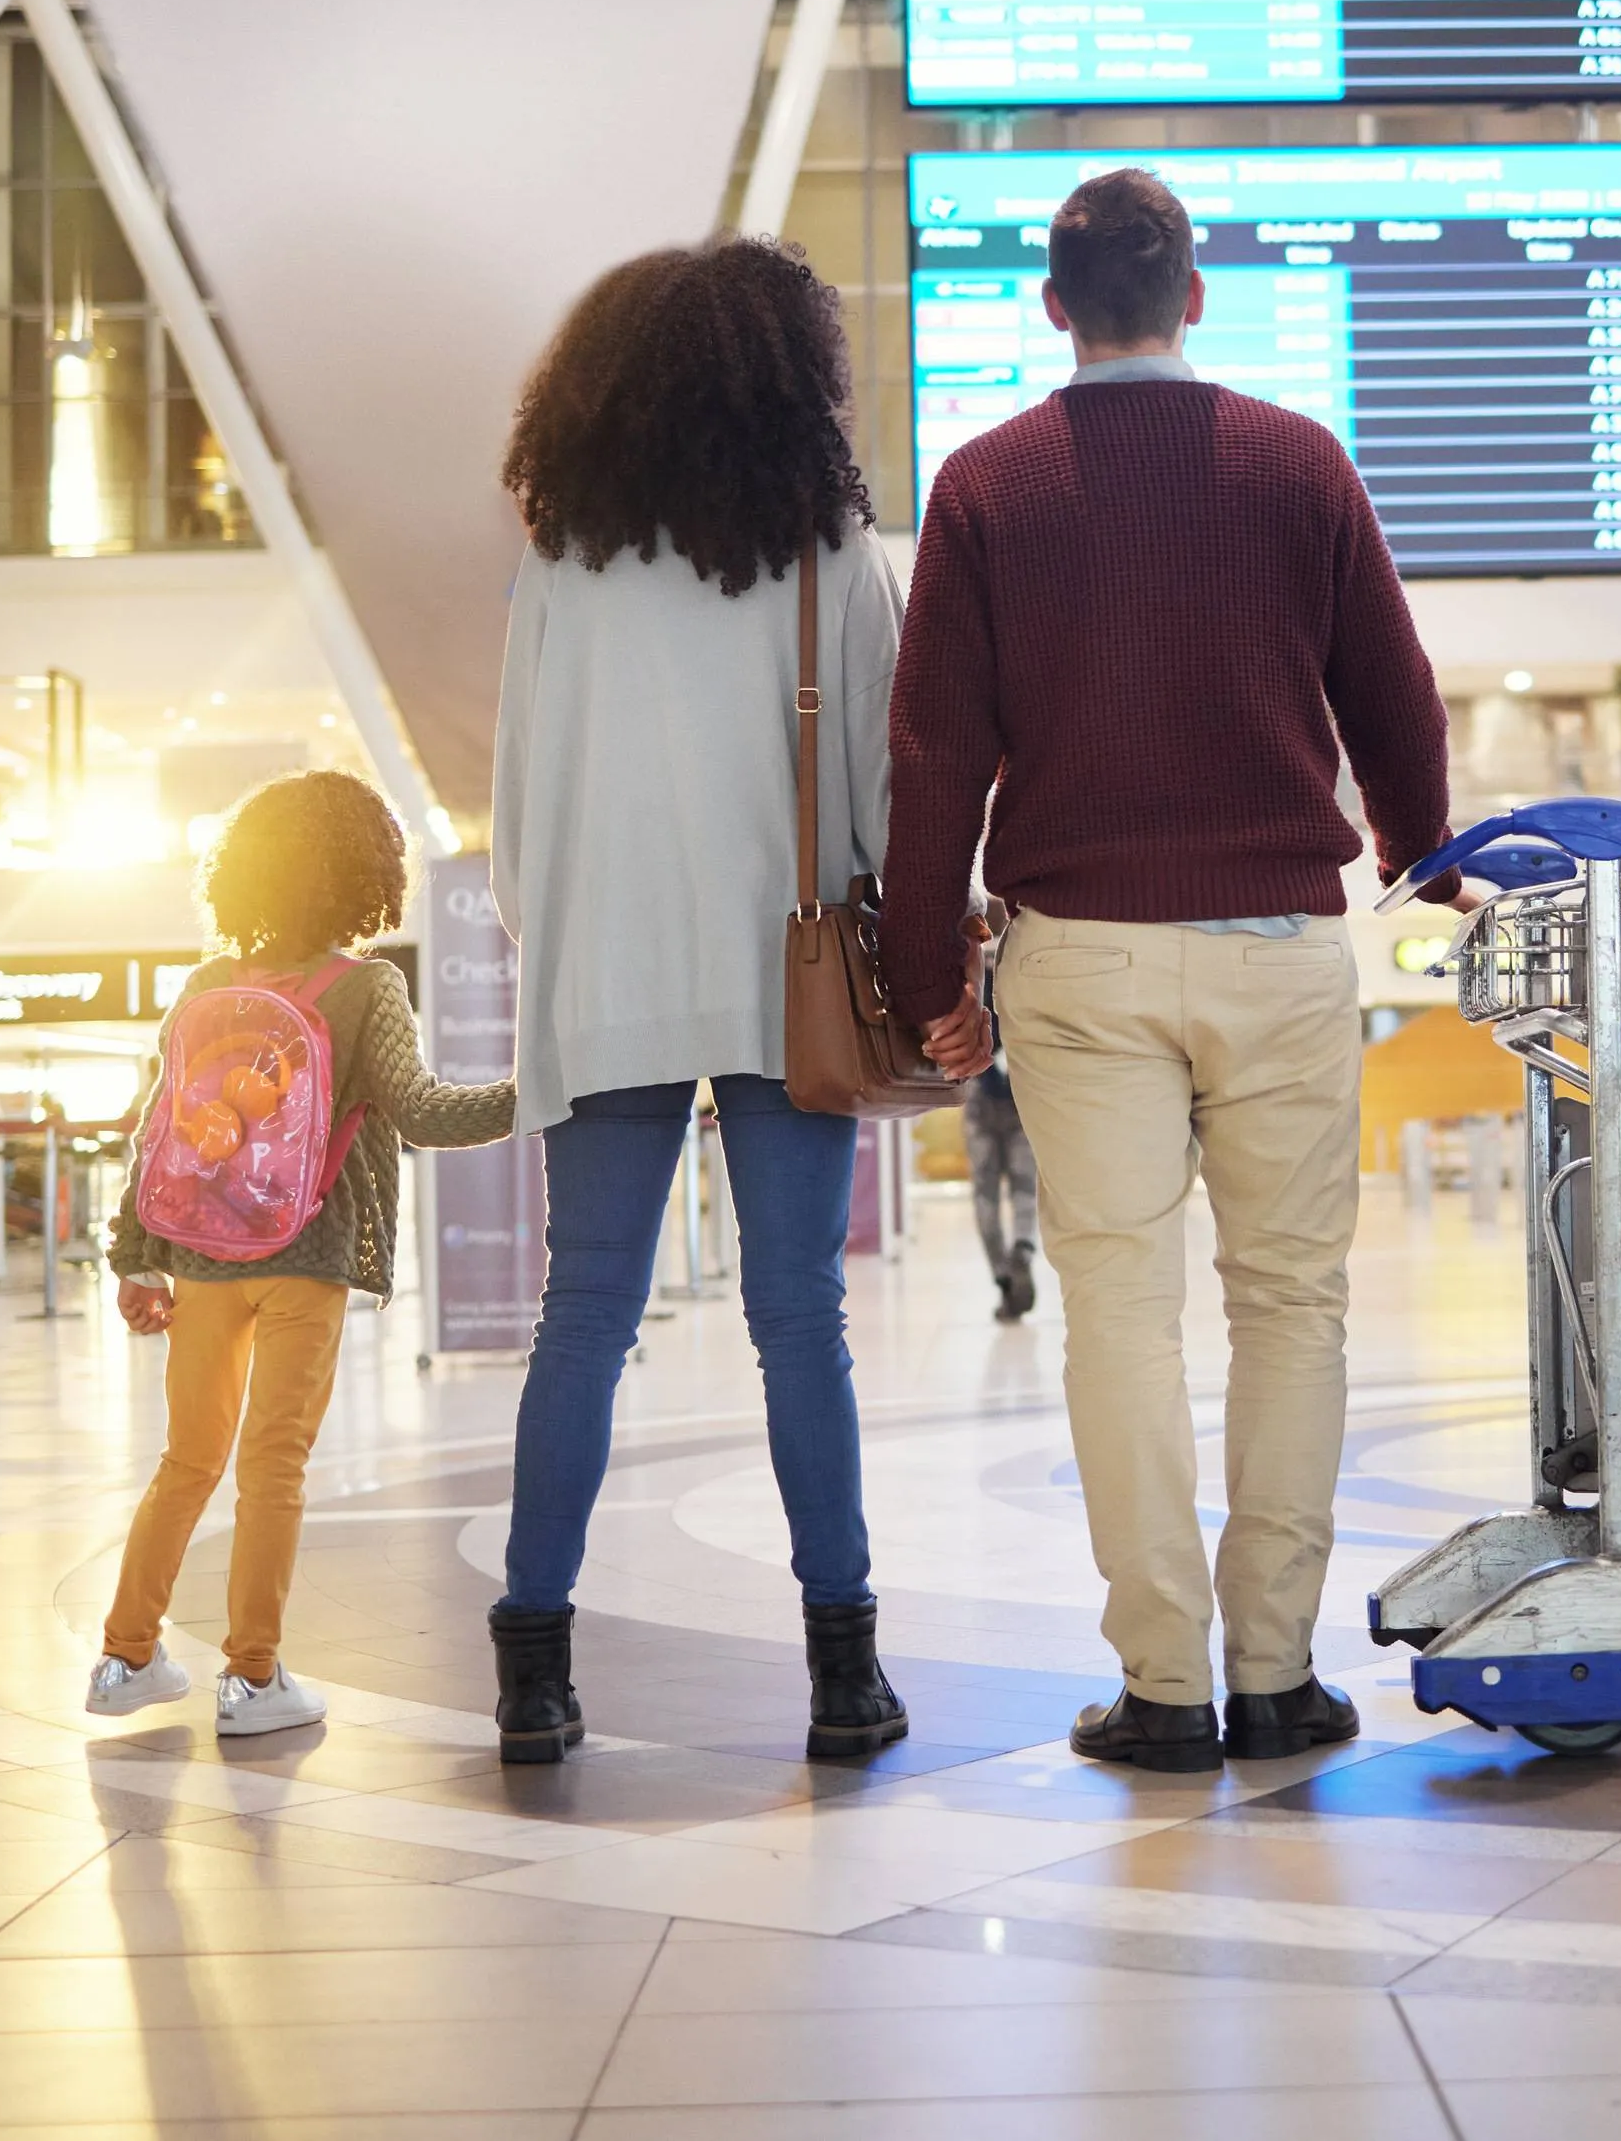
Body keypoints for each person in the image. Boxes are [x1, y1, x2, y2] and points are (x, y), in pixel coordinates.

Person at [882, 167, 1460, 1774]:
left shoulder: (988, 486)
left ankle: (1161, 1691)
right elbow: (1393, 701)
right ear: (1193, 295)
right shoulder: (1297, 464)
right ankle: (1276, 1675)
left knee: (1119, 1318)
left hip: (1079, 964)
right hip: (1281, 951)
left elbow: (934, 756)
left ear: (1054, 308)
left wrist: (924, 967)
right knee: (1292, 1308)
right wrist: (1420, 855)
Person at [483, 237, 912, 1767]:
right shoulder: (836, 561)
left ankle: (535, 1672)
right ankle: (844, 1673)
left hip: (604, 983)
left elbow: (515, 812)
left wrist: (568, 942)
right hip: (777, 981)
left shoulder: (560, 564)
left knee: (581, 1318)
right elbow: (873, 807)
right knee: (801, 1321)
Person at [91, 771, 516, 1738]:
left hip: (201, 1258)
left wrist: (133, 1256)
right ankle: (250, 1679)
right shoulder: (367, 986)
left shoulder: (207, 985)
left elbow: (162, 1132)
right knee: (271, 1468)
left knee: (186, 1461)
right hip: (305, 1252)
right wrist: (536, 1093)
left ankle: (125, 1658)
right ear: (367, 873)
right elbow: (423, 1113)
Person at [963, 1063, 1037, 1321]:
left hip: (979, 1093)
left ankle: (1004, 1279)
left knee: (985, 1197)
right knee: (1026, 1188)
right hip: (1022, 1092)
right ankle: (1023, 1249)